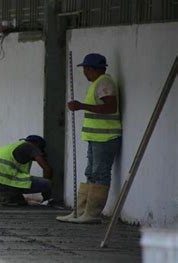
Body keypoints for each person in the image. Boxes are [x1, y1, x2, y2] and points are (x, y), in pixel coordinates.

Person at [56, 53, 122, 224]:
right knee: (90, 173)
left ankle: (92, 214)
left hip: (105, 137)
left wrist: (81, 106)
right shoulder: (96, 84)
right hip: (95, 137)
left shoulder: (104, 83)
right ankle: (80, 211)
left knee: (100, 174)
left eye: (85, 69)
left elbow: (110, 107)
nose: (84, 73)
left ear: (92, 69)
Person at [0, 135, 53, 206]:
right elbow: (48, 169)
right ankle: (47, 201)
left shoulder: (12, 146)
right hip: (4, 180)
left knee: (19, 202)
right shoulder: (30, 146)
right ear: (37, 144)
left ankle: (7, 195)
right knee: (46, 183)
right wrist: (47, 191)